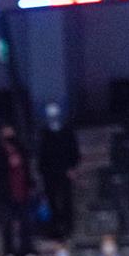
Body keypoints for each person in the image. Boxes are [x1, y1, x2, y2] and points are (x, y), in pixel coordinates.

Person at [38, 102, 80, 238]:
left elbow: (74, 152)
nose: (53, 117)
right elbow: (42, 155)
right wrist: (42, 172)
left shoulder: (67, 132)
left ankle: (68, 228)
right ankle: (54, 229)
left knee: (67, 200)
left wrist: (72, 167)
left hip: (65, 172)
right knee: (52, 203)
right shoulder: (44, 134)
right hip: (49, 174)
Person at [0, 124, 33, 256]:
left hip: (23, 192)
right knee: (7, 225)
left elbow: (27, 169)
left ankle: (26, 252)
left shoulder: (21, 149)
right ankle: (9, 253)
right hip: (6, 194)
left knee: (25, 223)